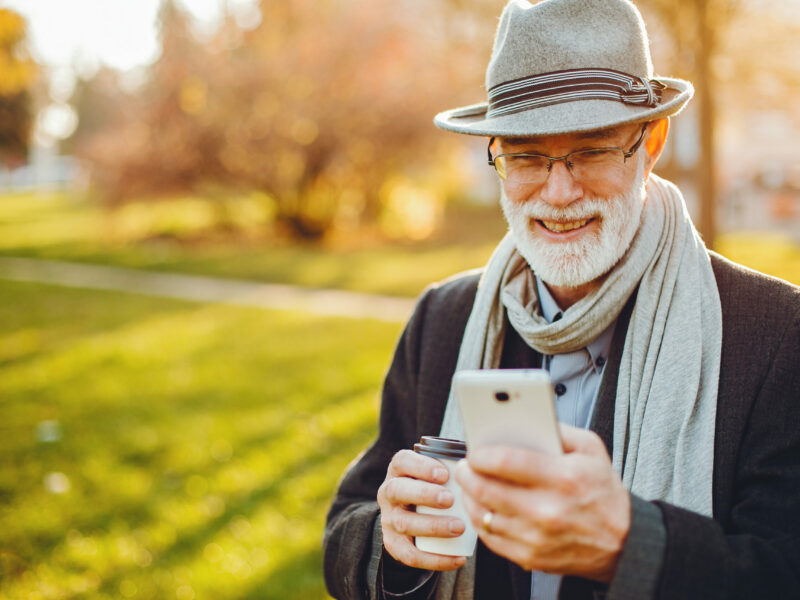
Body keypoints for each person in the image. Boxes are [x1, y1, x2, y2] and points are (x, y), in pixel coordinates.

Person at [323, 0, 800, 598]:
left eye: (593, 150)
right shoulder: (442, 320)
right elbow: (346, 524)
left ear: (651, 142)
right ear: (496, 154)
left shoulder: (777, 335)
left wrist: (633, 544)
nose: (559, 192)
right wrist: (391, 538)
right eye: (525, 156)